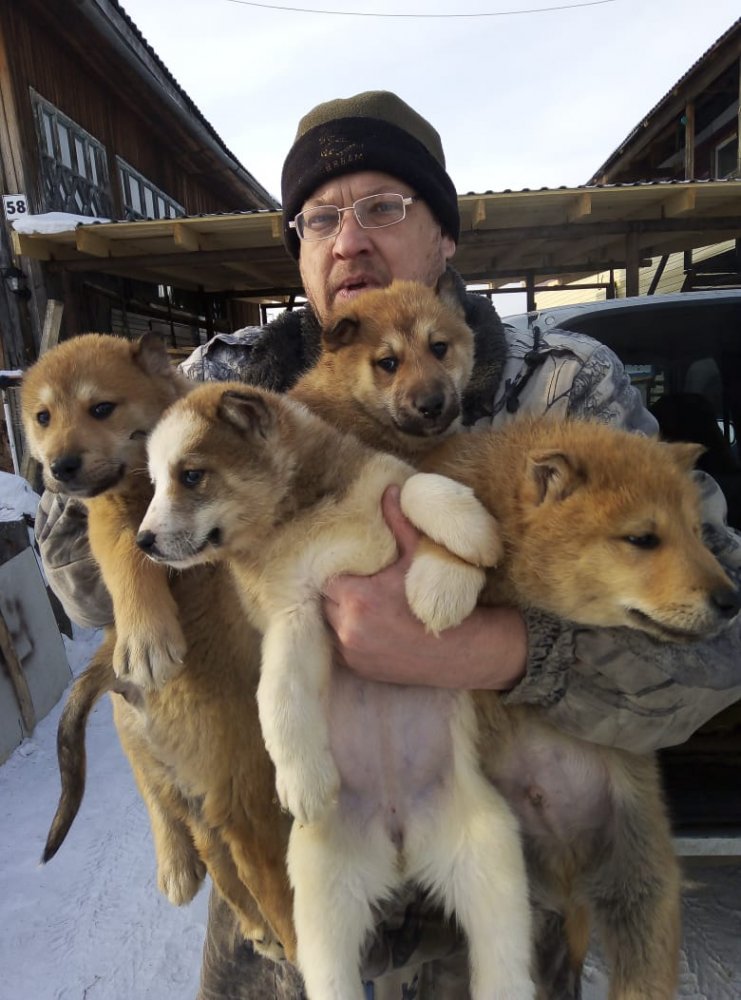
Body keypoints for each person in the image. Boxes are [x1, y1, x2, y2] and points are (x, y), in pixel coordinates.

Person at [36, 91, 741, 1000]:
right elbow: (85, 581)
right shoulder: (217, 382)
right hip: (294, 905)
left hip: (488, 891)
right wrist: (144, 565)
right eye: (319, 218)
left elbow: (715, 649)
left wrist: (495, 651)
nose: (349, 241)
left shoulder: (560, 387)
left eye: (383, 206)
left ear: (443, 234)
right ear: (297, 246)